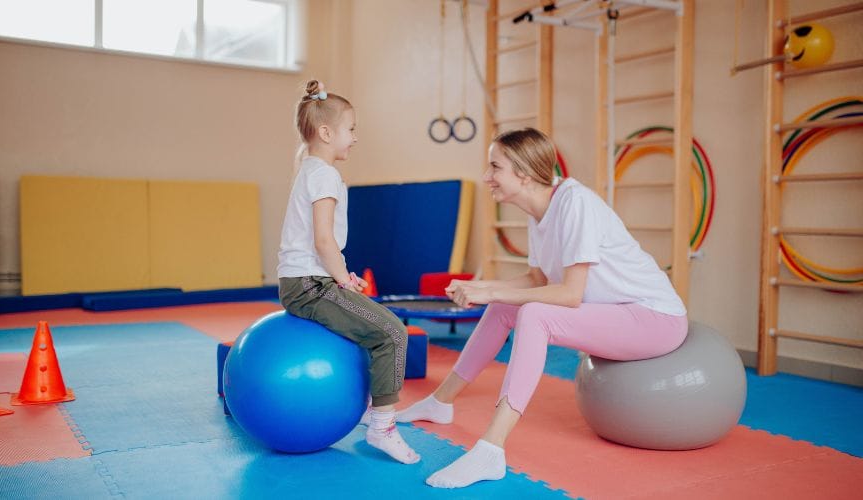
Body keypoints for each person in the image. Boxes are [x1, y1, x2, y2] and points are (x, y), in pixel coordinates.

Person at [397, 127, 688, 487]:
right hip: (619, 313)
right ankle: (440, 402)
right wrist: (482, 288)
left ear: (522, 172)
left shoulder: (575, 203)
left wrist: (492, 293)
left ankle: (491, 450)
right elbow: (537, 280)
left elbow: (569, 295)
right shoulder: (539, 213)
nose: (487, 177)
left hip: (654, 318)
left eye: (494, 167)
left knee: (534, 314)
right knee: (508, 307)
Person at [277, 80, 419, 465]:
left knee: (369, 327)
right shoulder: (324, 175)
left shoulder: (310, 169)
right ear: (326, 133)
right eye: (351, 129)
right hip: (310, 286)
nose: (355, 138)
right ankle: (383, 426)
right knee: (392, 332)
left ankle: (365, 410)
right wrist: (341, 279)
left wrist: (343, 276)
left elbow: (321, 246)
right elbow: (324, 241)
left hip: (306, 281)